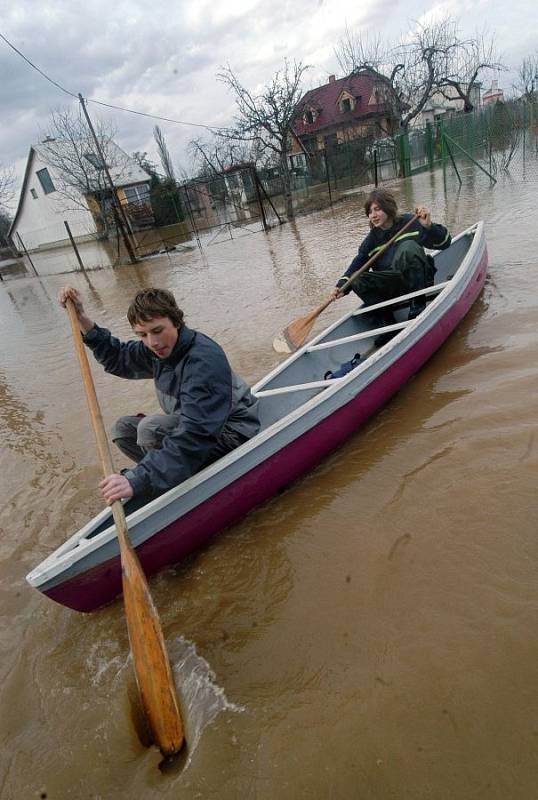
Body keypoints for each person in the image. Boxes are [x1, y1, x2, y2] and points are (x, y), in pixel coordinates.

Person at [58, 286, 260, 504]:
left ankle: (162, 482)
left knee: (149, 430)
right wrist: (81, 318)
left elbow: (196, 433)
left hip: (230, 430)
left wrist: (138, 480)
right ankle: (163, 474)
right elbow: (119, 358)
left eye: (157, 330)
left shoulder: (203, 360)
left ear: (177, 321)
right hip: (194, 426)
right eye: (142, 335)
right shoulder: (157, 351)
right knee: (122, 429)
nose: (152, 342)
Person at [330, 189, 451, 346]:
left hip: (420, 280)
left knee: (408, 247)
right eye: (369, 212)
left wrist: (428, 227)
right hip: (394, 286)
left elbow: (445, 243)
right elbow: (356, 265)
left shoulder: (411, 222)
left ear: (388, 208)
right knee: (357, 278)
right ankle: (388, 325)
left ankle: (417, 306)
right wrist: (340, 287)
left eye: (377, 209)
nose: (372, 215)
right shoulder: (371, 241)